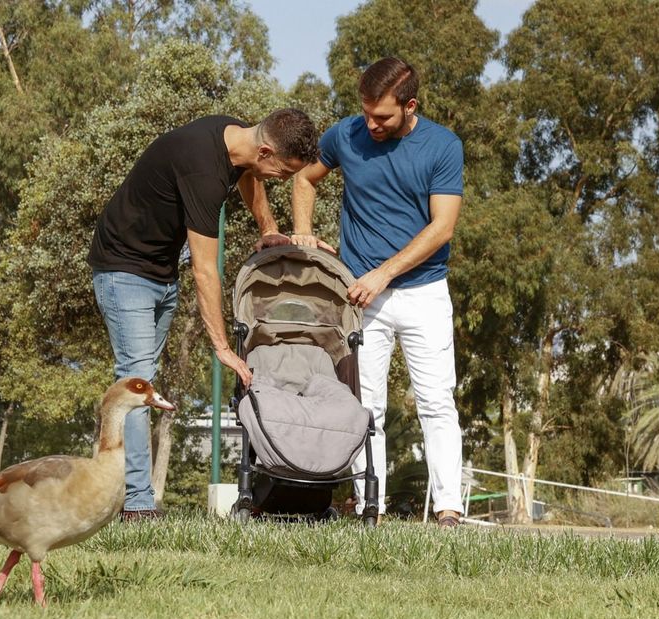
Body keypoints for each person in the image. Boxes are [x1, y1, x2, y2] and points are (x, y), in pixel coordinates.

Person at [88, 109, 321, 521]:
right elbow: (205, 269)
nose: (283, 180)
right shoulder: (204, 171)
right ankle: (137, 505)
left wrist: (267, 225)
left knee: (141, 381)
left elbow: (250, 177)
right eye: (283, 172)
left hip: (158, 271)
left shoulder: (236, 139)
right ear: (265, 151)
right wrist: (221, 347)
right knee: (136, 385)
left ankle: (116, 493)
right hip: (123, 270)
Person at [290, 57, 464, 527]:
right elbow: (304, 177)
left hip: (424, 294)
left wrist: (383, 274)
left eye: (382, 116)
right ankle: (373, 506)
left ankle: (449, 510)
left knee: (435, 401)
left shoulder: (443, 146)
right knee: (367, 407)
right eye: (366, 112)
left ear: (411, 106)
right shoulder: (346, 135)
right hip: (360, 296)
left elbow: (442, 227)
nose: (372, 124)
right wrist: (303, 232)